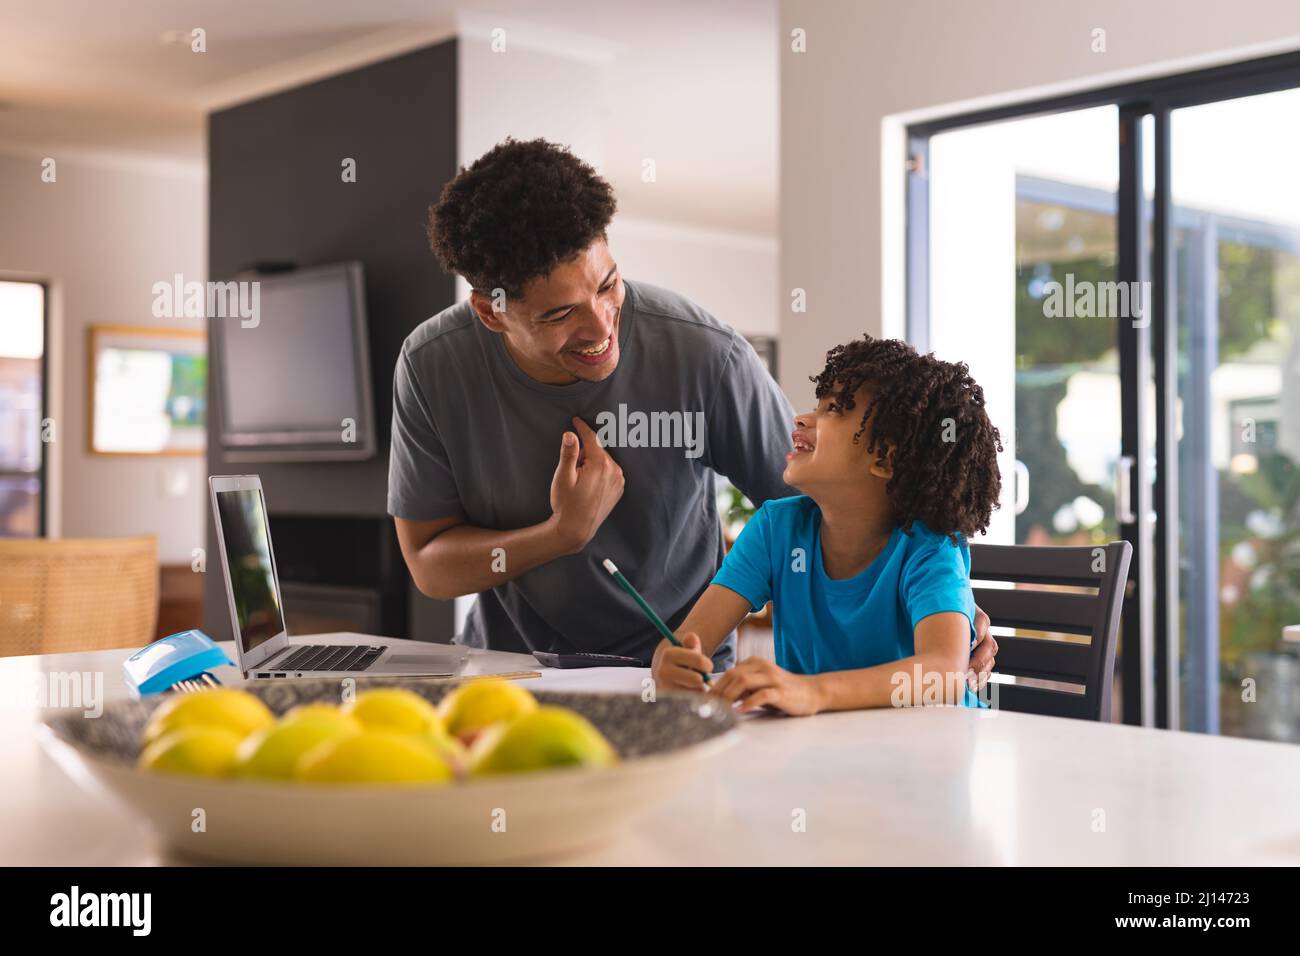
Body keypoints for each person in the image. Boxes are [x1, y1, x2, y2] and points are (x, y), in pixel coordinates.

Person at [389, 137, 997, 683]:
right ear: (492, 312)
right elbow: (430, 565)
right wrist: (561, 535)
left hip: (677, 672)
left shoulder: (705, 354)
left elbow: (835, 504)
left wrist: (948, 605)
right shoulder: (432, 366)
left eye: (607, 286)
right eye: (558, 314)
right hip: (510, 671)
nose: (601, 327)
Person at [652, 336, 1003, 713]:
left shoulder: (929, 548)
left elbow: (943, 675)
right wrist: (669, 664)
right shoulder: (775, 530)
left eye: (834, 409)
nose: (802, 419)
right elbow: (685, 644)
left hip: (930, 753)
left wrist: (812, 692)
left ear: (885, 459)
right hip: (827, 753)